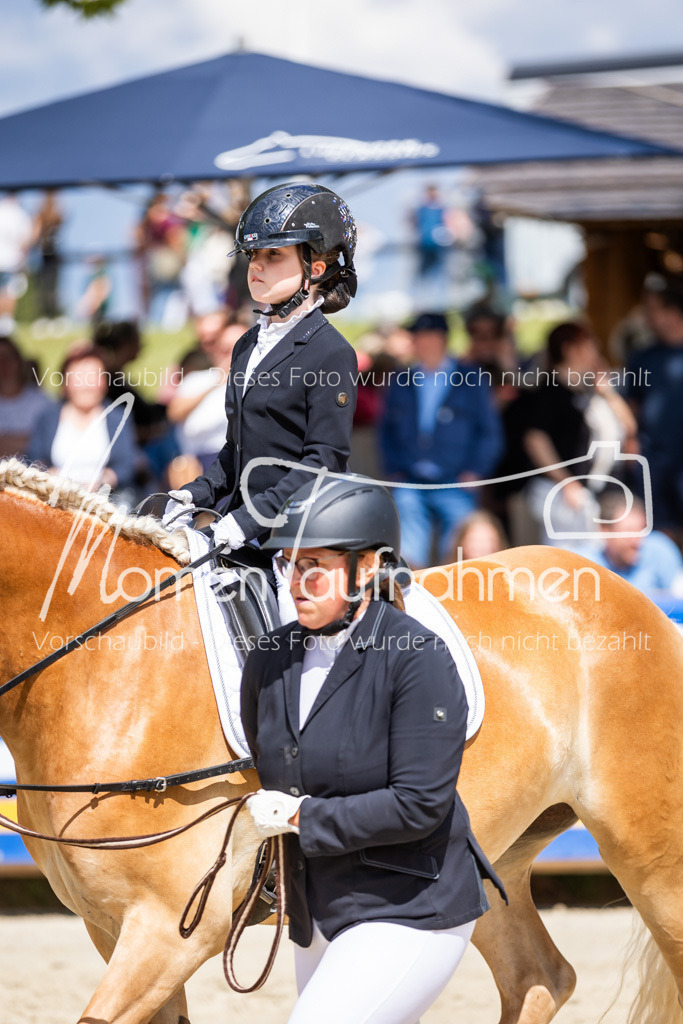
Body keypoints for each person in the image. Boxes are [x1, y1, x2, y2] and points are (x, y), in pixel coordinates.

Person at [241, 476, 507, 1024]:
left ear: (366, 570)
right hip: (318, 911)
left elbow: (419, 805)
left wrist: (300, 814)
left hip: (408, 904)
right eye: (289, 565)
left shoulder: (417, 659)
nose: (297, 581)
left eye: (314, 565)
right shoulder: (270, 660)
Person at [161, 182, 359, 563]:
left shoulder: (332, 353)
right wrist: (195, 493)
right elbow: (237, 449)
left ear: (315, 268)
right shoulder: (247, 344)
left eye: (273, 255)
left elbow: (323, 463)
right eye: (253, 255)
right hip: (238, 531)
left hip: (303, 539)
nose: (256, 265)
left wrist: (248, 521)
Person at [379, 312, 503, 569]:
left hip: (456, 481)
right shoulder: (401, 378)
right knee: (408, 557)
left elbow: (489, 431)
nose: (418, 341)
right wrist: (393, 469)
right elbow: (385, 430)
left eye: (424, 335)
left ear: (440, 338)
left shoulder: (471, 377)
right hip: (411, 480)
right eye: (416, 336)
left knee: (462, 556)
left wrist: (477, 470)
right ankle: (413, 603)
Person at [26, 344, 140, 502]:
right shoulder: (47, 418)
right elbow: (34, 459)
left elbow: (126, 465)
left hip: (104, 502)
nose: (87, 385)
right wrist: (48, 476)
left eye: (93, 377)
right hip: (55, 500)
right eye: (79, 378)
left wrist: (102, 482)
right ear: (65, 382)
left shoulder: (118, 417)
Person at [587, 491, 683, 593]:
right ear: (605, 530)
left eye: (641, 530)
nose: (636, 540)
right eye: (628, 532)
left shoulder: (660, 550)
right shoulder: (586, 564)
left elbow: (678, 598)